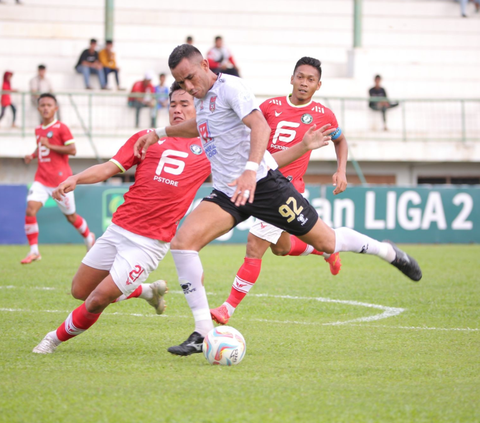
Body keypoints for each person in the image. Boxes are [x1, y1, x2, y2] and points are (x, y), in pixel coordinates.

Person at [134, 45, 422, 357]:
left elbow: (260, 126)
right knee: (183, 243)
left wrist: (248, 171)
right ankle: (202, 331)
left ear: (205, 64)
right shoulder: (202, 100)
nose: (189, 87)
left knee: (327, 242)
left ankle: (387, 251)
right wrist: (159, 131)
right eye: (181, 83)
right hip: (229, 192)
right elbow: (198, 127)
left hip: (265, 185)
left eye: (190, 78)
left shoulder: (231, 87)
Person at [31, 83, 329, 354]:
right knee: (79, 291)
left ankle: (50, 341)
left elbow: (267, 162)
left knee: (96, 299)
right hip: (118, 229)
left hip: (148, 244)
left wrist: (303, 147)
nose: (177, 109)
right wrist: (77, 178)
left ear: (197, 108)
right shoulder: (147, 139)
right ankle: (147, 290)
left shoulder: (212, 144)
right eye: (173, 104)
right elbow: (110, 167)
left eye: (185, 104)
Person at [210, 57, 347, 325]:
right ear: (292, 78)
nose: (304, 83)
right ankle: (325, 250)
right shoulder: (270, 107)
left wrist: (341, 170)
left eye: (310, 79)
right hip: (259, 183)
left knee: (254, 246)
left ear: (318, 85)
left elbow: (340, 139)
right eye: (300, 76)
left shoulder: (323, 115)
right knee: (281, 248)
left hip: (285, 189)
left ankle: (227, 308)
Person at [22, 93, 95, 264]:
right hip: (41, 178)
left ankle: (88, 236)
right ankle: (34, 251)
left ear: (55, 108)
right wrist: (32, 155)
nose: (45, 108)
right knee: (30, 210)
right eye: (42, 105)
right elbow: (42, 148)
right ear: (38, 108)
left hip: (61, 181)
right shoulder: (38, 129)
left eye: (49, 105)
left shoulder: (62, 128)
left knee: (71, 217)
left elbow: (73, 150)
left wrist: (50, 146)